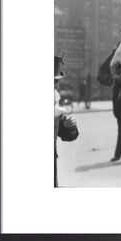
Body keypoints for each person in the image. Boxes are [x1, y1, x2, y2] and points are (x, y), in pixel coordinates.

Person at [54, 55, 79, 187]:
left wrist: (70, 126)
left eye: (56, 83)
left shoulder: (54, 105)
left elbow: (66, 134)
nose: (55, 88)